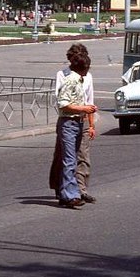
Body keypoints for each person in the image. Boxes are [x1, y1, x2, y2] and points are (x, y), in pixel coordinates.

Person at [49, 43, 97, 205]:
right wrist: (82, 108)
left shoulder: (86, 77)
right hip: (68, 121)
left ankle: (79, 191)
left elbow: (89, 100)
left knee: (82, 157)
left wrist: (91, 125)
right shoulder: (65, 76)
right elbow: (62, 102)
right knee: (65, 158)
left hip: (81, 120)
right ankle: (64, 191)